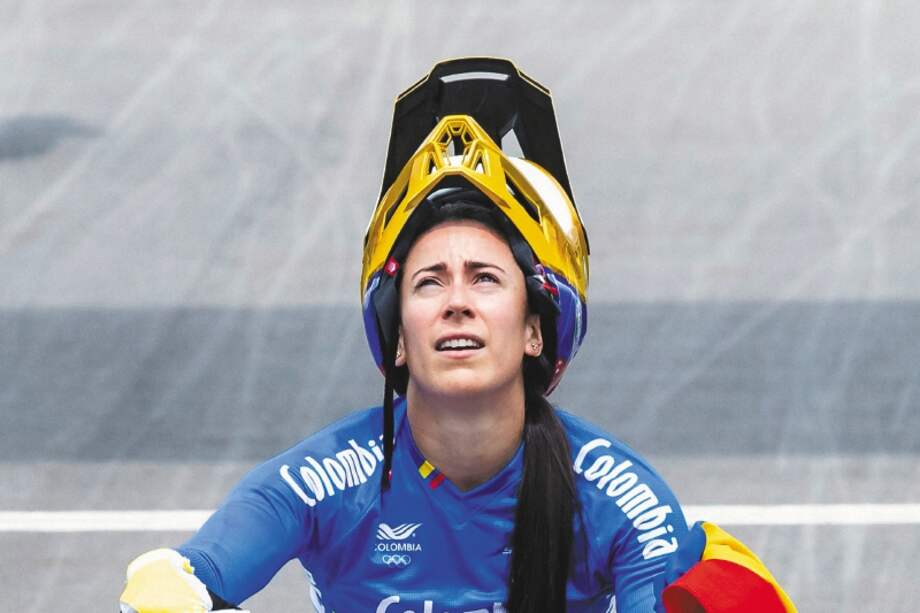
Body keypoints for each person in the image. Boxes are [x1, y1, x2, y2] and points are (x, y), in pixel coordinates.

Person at [120, 58, 794, 613]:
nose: (457, 303)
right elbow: (174, 578)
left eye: (485, 279)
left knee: (730, 586)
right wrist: (169, 591)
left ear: (535, 329)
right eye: (429, 282)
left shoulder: (615, 491)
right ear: (400, 339)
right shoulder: (321, 480)